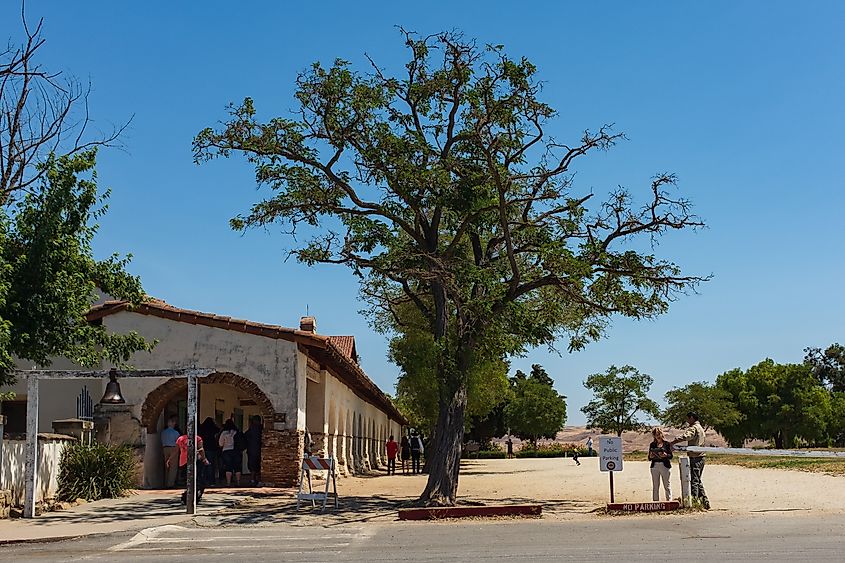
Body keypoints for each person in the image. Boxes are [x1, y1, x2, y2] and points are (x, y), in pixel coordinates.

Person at [671, 412, 710, 509]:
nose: (687, 421)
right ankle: (705, 501)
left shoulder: (694, 428)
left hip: (695, 457)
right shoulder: (700, 428)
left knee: (694, 481)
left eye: (688, 419)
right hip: (701, 456)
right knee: (698, 479)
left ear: (692, 418)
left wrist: (674, 441)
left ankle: (694, 501)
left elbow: (687, 436)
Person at [176, 432, 209, 505]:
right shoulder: (197, 438)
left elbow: (176, 451)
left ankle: (187, 497)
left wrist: (170, 459)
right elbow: (201, 449)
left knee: (188, 481)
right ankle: (193, 497)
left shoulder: (180, 439)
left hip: (183, 462)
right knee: (199, 481)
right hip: (194, 461)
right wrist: (204, 459)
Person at [648, 427, 673, 501]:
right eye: (656, 434)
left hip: (664, 465)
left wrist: (665, 455)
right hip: (655, 466)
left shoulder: (667, 444)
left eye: (659, 434)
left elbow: (671, 456)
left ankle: (669, 501)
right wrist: (651, 456)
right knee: (655, 486)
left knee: (667, 485)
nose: (658, 436)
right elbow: (649, 457)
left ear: (662, 434)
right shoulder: (652, 444)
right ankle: (655, 502)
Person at [218, 419, 242, 486]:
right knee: (237, 467)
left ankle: (228, 483)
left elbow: (220, 444)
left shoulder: (224, 433)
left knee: (228, 467)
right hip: (236, 451)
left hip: (226, 451)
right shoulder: (236, 432)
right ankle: (238, 482)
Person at [198, 417, 220, 487]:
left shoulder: (201, 428)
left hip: (203, 448)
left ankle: (202, 481)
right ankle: (211, 481)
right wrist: (215, 423)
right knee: (210, 465)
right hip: (212, 448)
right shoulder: (214, 429)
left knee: (202, 466)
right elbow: (219, 429)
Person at [161, 416, 180, 488]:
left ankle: (166, 482)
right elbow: (178, 442)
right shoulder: (176, 433)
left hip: (165, 448)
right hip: (173, 448)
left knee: (167, 466)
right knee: (173, 467)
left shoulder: (163, 432)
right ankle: (170, 484)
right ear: (172, 423)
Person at [244, 416, 263, 486]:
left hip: (251, 450)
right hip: (260, 450)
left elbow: (245, 437)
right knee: (259, 465)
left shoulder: (251, 429)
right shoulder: (261, 428)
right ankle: (259, 479)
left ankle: (252, 479)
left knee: (252, 466)